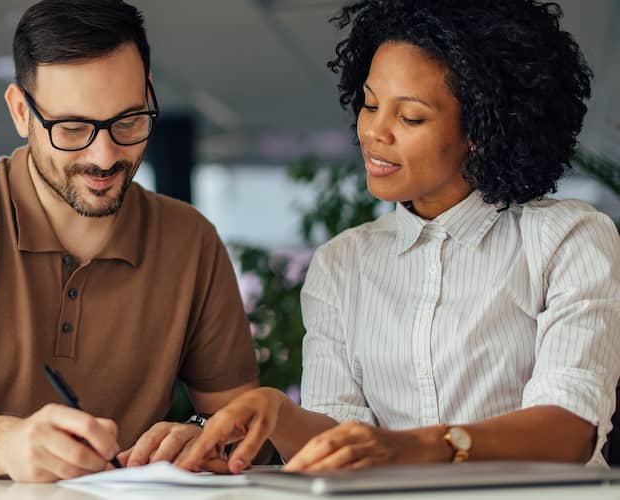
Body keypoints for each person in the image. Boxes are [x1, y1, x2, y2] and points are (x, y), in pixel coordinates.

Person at [173, 0, 620, 473]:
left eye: (409, 118)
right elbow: (339, 442)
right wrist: (277, 413)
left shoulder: (569, 238)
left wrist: (418, 446)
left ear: (483, 131)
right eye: (369, 104)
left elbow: (569, 430)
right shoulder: (342, 264)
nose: (373, 132)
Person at [0, 0, 259, 482]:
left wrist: (201, 433)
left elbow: (240, 422)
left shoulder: (191, 241)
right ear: (21, 112)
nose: (105, 156)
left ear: (149, 95)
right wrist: (6, 445)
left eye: (128, 121)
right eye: (72, 129)